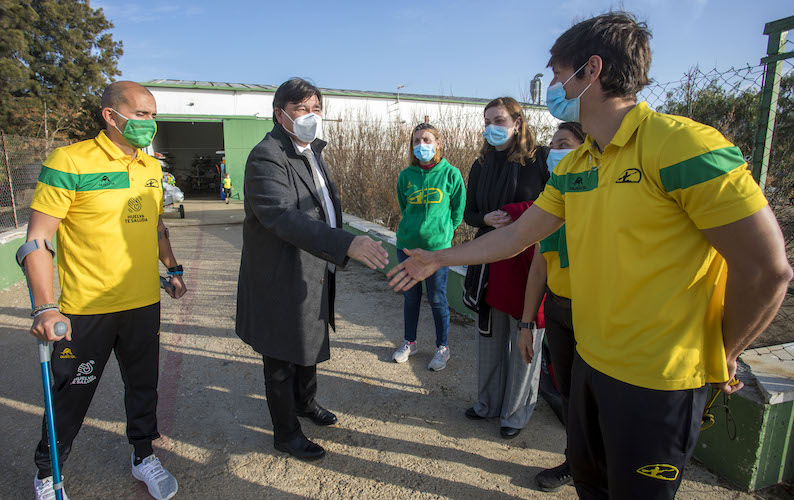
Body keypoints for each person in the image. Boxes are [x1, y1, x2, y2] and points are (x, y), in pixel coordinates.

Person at [388, 12, 792, 499]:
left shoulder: (685, 146)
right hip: (590, 364)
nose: (552, 85)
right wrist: (439, 259)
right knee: (591, 485)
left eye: (558, 73)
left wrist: (725, 351)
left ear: (592, 70)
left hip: (660, 382)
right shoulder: (578, 162)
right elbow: (518, 237)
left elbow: (767, 270)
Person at [24, 81, 187, 500]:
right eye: (140, 115)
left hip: (143, 305)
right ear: (110, 116)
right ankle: (49, 472)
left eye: (153, 115)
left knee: (143, 388)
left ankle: (143, 455)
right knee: (71, 396)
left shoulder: (151, 168)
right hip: (86, 310)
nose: (149, 124)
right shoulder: (70, 161)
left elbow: (154, 225)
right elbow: (38, 239)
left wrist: (172, 268)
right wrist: (44, 307)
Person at [235, 78, 389, 461]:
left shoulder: (312, 151)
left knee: (308, 343)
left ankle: (305, 404)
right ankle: (286, 433)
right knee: (281, 357)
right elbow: (282, 216)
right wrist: (345, 243)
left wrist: (342, 238)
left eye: (316, 109)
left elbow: (322, 207)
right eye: (302, 109)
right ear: (280, 114)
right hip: (281, 275)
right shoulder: (267, 155)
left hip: (312, 270)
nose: (311, 116)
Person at [462, 97, 550, 439]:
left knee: (526, 338)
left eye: (499, 120)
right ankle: (487, 403)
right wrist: (484, 218)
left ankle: (516, 413)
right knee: (490, 337)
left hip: (530, 263)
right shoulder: (480, 165)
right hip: (489, 264)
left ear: (518, 122)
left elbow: (555, 204)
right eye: (487, 121)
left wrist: (517, 213)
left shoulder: (539, 159)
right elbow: (468, 214)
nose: (492, 128)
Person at [519, 121, 586, 492]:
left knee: (600, 399)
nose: (555, 151)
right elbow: (538, 268)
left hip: (598, 313)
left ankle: (602, 468)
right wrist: (526, 325)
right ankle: (574, 462)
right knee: (570, 396)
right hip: (559, 312)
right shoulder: (552, 199)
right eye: (553, 145)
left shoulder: (601, 198)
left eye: (565, 143)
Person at [392, 123, 465, 371]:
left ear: (438, 143)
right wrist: (414, 230)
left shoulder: (451, 174)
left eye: (426, 139)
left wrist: (442, 235)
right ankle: (409, 342)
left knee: (437, 298)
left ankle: (442, 348)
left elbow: (458, 211)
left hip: (437, 252)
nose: (421, 145)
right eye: (416, 141)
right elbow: (405, 208)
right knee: (410, 297)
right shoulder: (406, 176)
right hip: (407, 248)